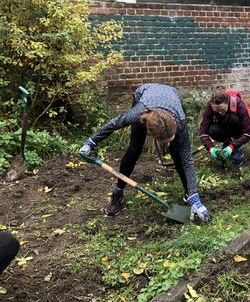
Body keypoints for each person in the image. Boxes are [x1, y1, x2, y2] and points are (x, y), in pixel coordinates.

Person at [79, 83, 210, 222]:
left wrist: (195, 195)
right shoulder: (137, 114)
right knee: (134, 150)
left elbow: (188, 160)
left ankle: (190, 196)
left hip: (172, 95)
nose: (168, 144)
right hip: (145, 95)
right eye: (164, 141)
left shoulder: (180, 123)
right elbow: (113, 123)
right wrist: (90, 143)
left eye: (170, 139)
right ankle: (118, 193)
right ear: (152, 135)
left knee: (178, 154)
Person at [198, 85, 250, 166]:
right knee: (213, 130)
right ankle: (227, 142)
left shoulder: (239, 104)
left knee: (233, 119)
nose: (220, 112)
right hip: (223, 126)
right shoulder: (209, 106)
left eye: (222, 109)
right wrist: (210, 148)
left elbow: (248, 133)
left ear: (228, 102)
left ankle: (237, 147)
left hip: (237, 127)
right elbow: (203, 131)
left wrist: (233, 146)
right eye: (216, 110)